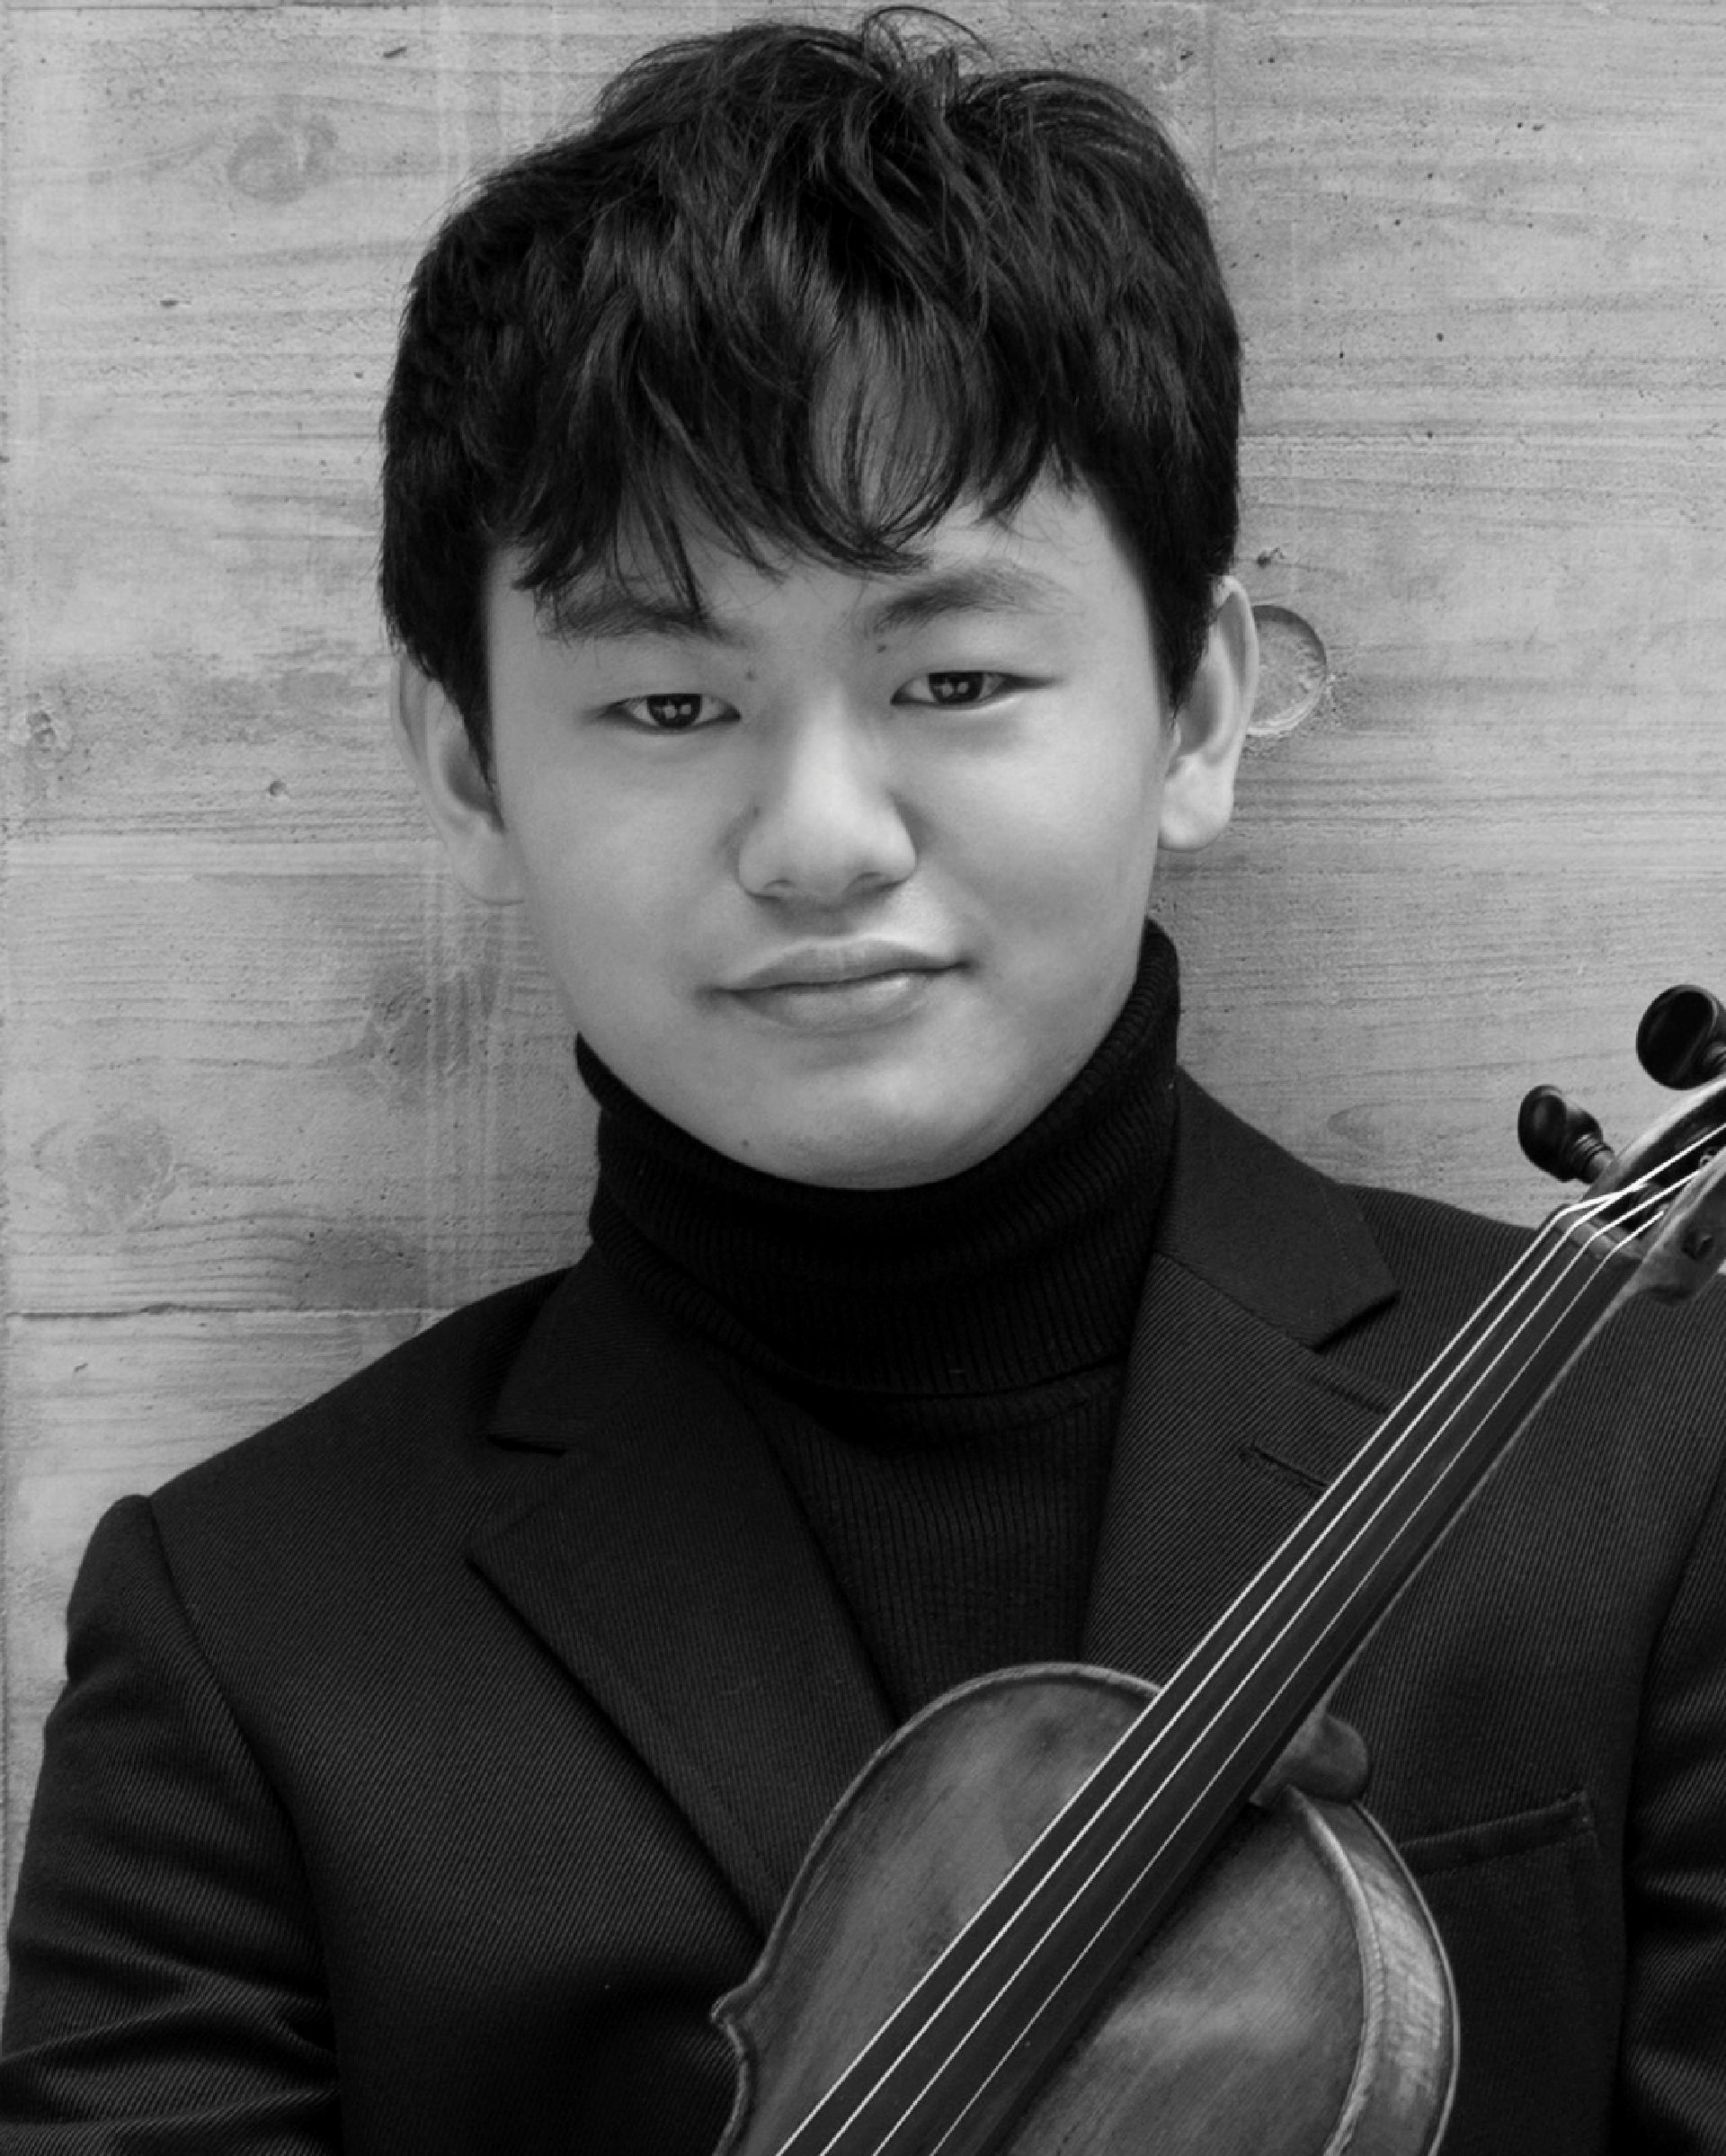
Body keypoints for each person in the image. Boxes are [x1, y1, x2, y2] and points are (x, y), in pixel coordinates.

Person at [4, 11, 1724, 2152]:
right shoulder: (242, 1640)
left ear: (1198, 714)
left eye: (957, 676)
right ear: (468, 760)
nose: (820, 840)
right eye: (665, 704)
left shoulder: (1662, 1457)